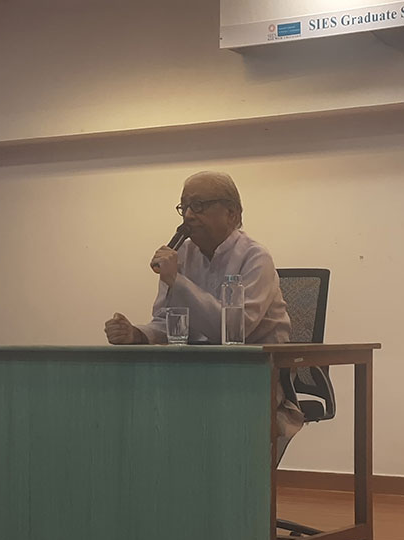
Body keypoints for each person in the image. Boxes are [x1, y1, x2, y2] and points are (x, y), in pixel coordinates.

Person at [103, 171, 304, 455]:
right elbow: (168, 323)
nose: (188, 215)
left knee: (206, 427)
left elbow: (233, 331)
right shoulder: (181, 256)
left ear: (232, 213)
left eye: (198, 206)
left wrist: (177, 281)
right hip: (196, 371)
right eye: (184, 206)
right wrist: (137, 334)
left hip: (253, 374)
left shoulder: (255, 257)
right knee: (139, 408)